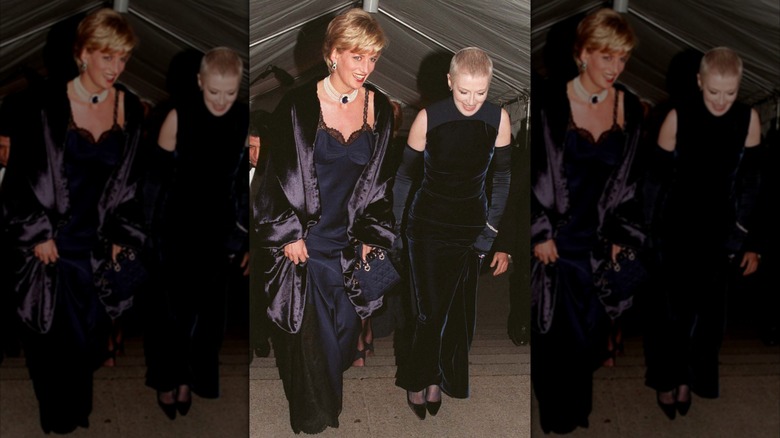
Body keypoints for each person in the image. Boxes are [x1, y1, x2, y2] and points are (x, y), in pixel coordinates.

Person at [1, 8, 144, 433]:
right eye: (107, 58)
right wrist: (37, 232)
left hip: (97, 246)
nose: (115, 69)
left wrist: (122, 232)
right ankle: (59, 416)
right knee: (53, 342)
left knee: (89, 340)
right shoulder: (43, 107)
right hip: (53, 246)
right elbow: (19, 182)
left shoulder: (129, 107)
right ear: (83, 53)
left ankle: (75, 405)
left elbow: (134, 181)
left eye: (123, 59)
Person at [254, 9, 396, 434]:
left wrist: (374, 234)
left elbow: (381, 184)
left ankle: (323, 399)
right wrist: (287, 231)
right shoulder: (297, 106)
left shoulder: (380, 108)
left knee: (344, 331)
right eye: (358, 57)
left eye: (373, 59)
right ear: (333, 53)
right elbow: (270, 179)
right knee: (312, 340)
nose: (366, 68)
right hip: (306, 244)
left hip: (349, 245)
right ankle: (316, 416)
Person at [530, 9, 645, 434]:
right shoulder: (551, 101)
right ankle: (557, 416)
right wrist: (537, 229)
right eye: (606, 57)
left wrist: (622, 233)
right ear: (582, 54)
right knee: (554, 338)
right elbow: (532, 171)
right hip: (555, 244)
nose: (615, 68)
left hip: (598, 243)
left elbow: (633, 180)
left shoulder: (628, 105)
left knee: (589, 338)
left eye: (622, 59)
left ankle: (577, 408)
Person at [393, 47, 512, 419]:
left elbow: (504, 179)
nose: (472, 101)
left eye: (480, 92)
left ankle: (434, 377)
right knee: (429, 311)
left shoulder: (499, 118)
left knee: (454, 314)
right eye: (463, 92)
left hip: (470, 230)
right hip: (426, 228)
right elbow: (404, 178)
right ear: (449, 81)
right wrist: (395, 231)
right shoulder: (428, 117)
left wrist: (490, 232)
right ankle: (420, 378)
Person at [643, 46, 762, 420]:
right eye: (714, 92)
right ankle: (668, 380)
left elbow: (753, 185)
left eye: (730, 92)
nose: (722, 101)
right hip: (673, 235)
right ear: (699, 81)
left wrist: (749, 240)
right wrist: (645, 238)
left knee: (707, 322)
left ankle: (688, 379)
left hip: (719, 238)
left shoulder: (749, 118)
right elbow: (653, 186)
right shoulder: (677, 116)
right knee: (670, 318)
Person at [143, 47, 248, 420]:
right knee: (172, 317)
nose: (221, 100)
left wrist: (243, 238)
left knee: (206, 322)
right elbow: (154, 184)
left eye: (230, 92)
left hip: (217, 236)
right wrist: (149, 238)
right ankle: (167, 380)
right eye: (214, 91)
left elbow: (240, 184)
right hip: (175, 232)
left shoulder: (242, 118)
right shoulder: (177, 116)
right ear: (200, 81)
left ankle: (187, 380)